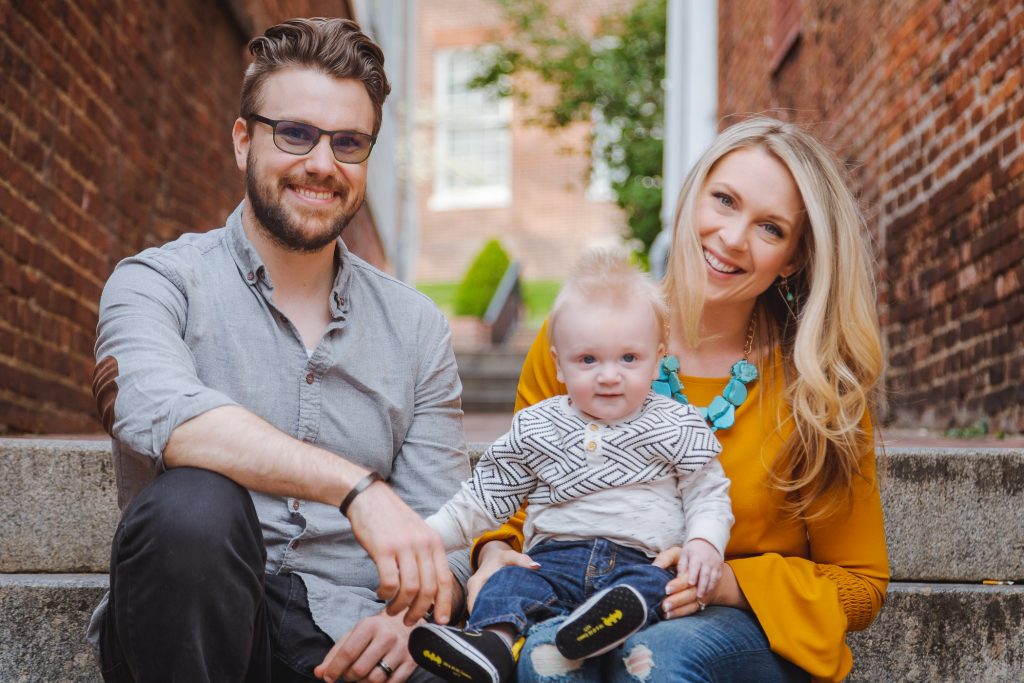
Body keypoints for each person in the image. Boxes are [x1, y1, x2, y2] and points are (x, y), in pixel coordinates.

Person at [89, 18, 468, 683]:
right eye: (295, 133)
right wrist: (355, 489)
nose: (322, 164)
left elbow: (444, 533)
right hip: (193, 625)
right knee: (193, 506)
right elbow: (157, 410)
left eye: (348, 143)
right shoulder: (157, 283)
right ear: (244, 141)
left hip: (353, 637)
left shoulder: (416, 327)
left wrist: (412, 622)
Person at [470, 117, 889, 683]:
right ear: (692, 197)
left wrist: (728, 583)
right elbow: (512, 494)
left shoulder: (818, 390)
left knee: (656, 661)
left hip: (729, 628)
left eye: (770, 228)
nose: (734, 237)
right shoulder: (581, 341)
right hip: (571, 594)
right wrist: (493, 553)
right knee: (551, 660)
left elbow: (860, 586)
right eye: (724, 200)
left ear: (793, 257)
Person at [406, 251, 734, 683]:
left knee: (659, 585)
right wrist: (428, 537)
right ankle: (492, 646)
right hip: (551, 562)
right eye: (588, 360)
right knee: (507, 585)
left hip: (638, 560)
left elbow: (707, 492)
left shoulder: (675, 423)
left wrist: (705, 543)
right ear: (558, 364)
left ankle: (606, 626)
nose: (609, 376)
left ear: (657, 358)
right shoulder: (540, 425)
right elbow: (485, 495)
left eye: (628, 359)